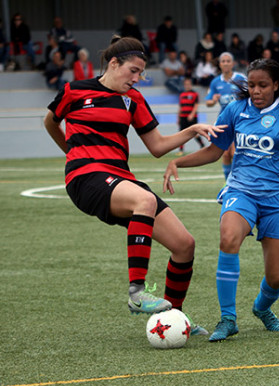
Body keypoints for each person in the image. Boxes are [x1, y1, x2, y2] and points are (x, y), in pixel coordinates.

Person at [43, 36, 223, 333]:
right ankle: (137, 293)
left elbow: (157, 146)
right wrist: (72, 152)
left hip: (119, 178)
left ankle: (173, 320)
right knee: (145, 201)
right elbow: (51, 121)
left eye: (141, 73)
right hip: (85, 177)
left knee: (184, 245)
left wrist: (192, 129)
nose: (137, 78)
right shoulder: (73, 91)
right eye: (133, 71)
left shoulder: (133, 99)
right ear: (114, 64)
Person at [162, 58, 279, 342]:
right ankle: (228, 318)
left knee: (276, 279)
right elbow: (214, 151)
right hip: (241, 191)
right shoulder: (235, 110)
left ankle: (262, 308)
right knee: (228, 237)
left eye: (262, 85)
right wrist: (178, 162)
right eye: (251, 85)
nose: (256, 91)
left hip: (277, 198)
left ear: (275, 85)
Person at [206, 52, 247, 180]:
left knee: (235, 153)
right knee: (225, 154)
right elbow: (208, 102)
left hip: (239, 120)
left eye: (228, 61)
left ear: (233, 63)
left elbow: (250, 95)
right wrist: (213, 100)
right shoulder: (215, 82)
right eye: (223, 61)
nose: (225, 63)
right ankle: (228, 183)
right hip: (224, 121)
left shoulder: (240, 78)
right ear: (219, 64)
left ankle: (239, 180)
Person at [177, 78, 205, 155]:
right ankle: (181, 150)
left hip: (192, 117)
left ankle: (202, 146)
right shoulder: (182, 94)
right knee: (181, 133)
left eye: (188, 84)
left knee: (195, 133)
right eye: (186, 84)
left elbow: (196, 105)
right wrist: (178, 117)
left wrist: (192, 114)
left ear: (191, 85)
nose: (187, 86)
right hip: (183, 116)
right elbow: (180, 107)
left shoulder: (195, 94)